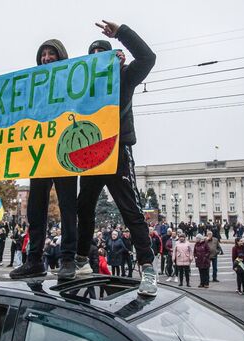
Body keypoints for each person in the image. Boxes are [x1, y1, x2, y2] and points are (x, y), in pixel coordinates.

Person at [75, 20, 159, 297]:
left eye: (104, 54)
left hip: (116, 152)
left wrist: (121, 33)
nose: (98, 58)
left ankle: (147, 267)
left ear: (114, 58)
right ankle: (80, 261)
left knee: (129, 208)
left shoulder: (125, 77)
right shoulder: (80, 87)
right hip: (89, 153)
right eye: (93, 56)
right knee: (83, 208)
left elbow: (148, 57)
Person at [0, 40, 77, 280]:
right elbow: (11, 104)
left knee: (67, 208)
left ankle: (68, 259)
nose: (46, 58)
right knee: (35, 210)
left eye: (51, 54)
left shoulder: (72, 81)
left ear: (61, 57)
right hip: (40, 154)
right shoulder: (32, 87)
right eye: (43, 54)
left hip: (64, 152)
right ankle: (34, 260)